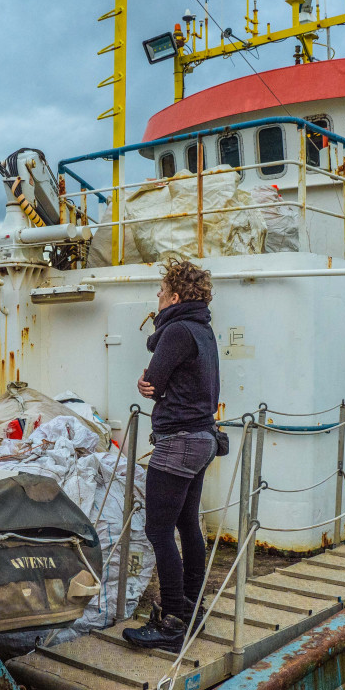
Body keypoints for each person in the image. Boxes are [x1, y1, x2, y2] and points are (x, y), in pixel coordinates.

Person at [123, 258, 219, 652]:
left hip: (178, 442)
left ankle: (173, 621)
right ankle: (191, 607)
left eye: (161, 293)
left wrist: (149, 384)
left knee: (159, 531)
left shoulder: (176, 330)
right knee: (187, 525)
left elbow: (153, 381)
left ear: (175, 296)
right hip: (202, 437)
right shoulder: (202, 329)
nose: (157, 298)